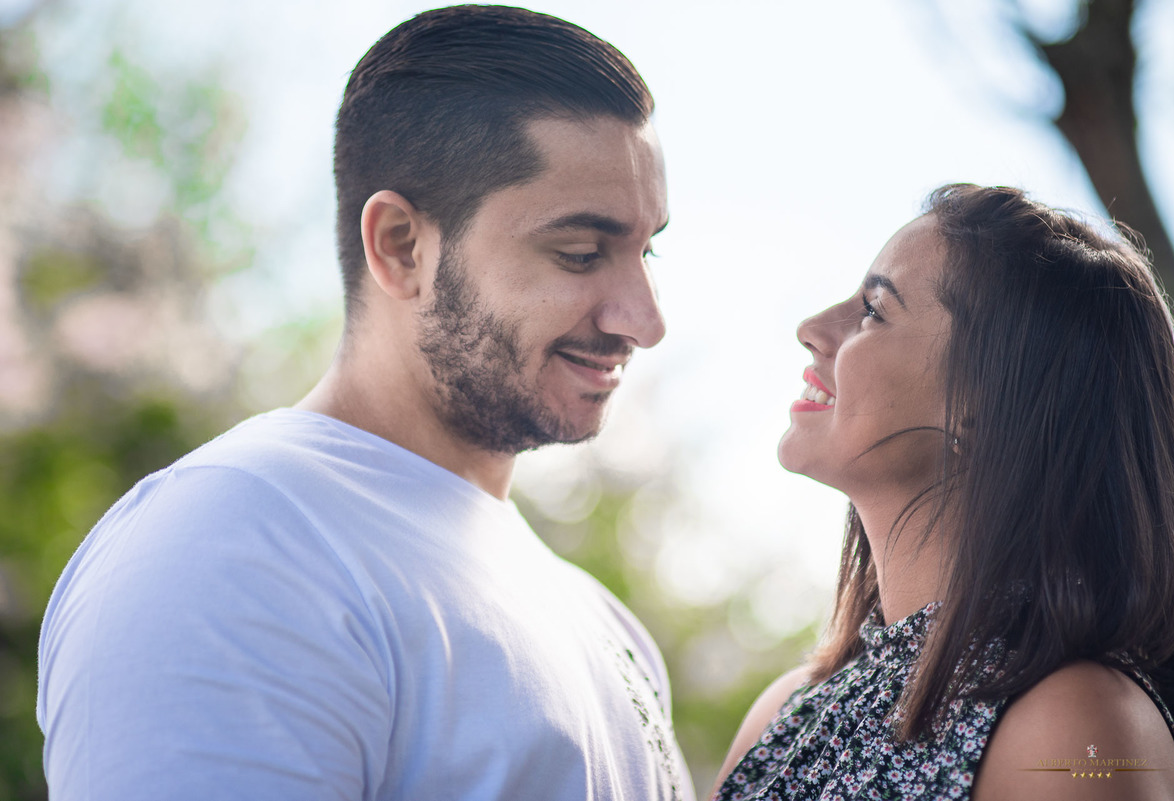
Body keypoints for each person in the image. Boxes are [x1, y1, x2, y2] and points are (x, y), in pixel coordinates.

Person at [37, 6, 695, 800]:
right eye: (581, 253)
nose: (645, 319)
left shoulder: (606, 624)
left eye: (645, 248)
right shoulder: (236, 548)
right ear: (400, 246)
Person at [711, 184, 1174, 801]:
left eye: (872, 310)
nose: (811, 329)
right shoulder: (789, 708)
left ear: (984, 404)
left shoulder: (1076, 729)